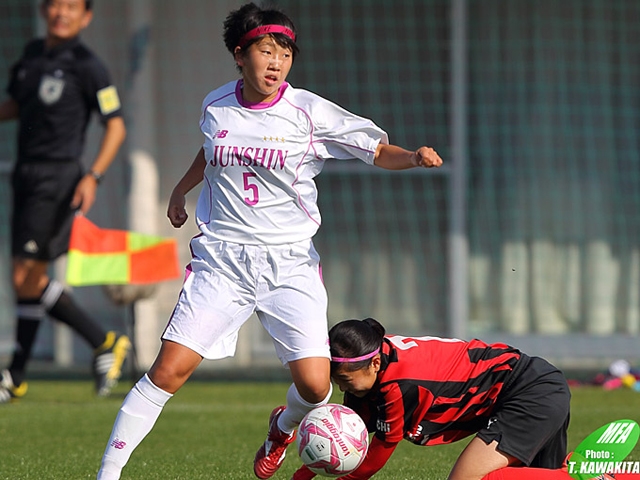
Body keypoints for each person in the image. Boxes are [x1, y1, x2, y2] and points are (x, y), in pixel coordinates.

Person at [95, 2, 442, 479]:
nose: (276, 62)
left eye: (285, 52)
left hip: (290, 263)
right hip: (223, 262)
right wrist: (181, 188)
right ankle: (107, 473)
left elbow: (375, 150)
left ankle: (282, 427)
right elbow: (213, 149)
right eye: (265, 50)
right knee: (168, 370)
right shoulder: (216, 104)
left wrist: (413, 158)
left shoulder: (308, 111)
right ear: (240, 55)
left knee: (318, 386)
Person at [291, 318, 615, 480]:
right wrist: (303, 473)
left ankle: (594, 475)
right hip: (524, 390)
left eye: (345, 381)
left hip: (530, 392)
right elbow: (346, 434)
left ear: (374, 363)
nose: (345, 389)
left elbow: (376, 452)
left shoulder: (399, 384)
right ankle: (575, 470)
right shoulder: (372, 356)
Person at [0, 0, 129, 403]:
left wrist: (92, 176)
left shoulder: (87, 65)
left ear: (85, 17)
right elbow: (17, 106)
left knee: (27, 275)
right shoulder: (32, 55)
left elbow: (116, 126)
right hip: (25, 173)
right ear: (44, 10)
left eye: (71, 6)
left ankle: (17, 374)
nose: (62, 12)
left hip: (58, 178)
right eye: (56, 4)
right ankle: (102, 341)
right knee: (24, 278)